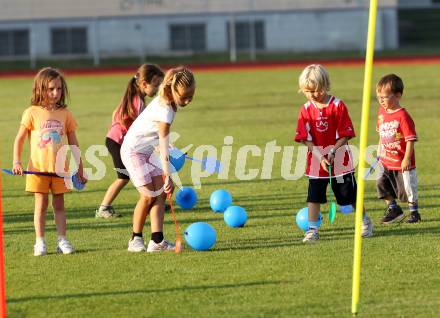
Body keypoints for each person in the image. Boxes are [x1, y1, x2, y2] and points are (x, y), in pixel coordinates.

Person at [12, 67, 87, 256]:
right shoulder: (31, 112)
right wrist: (16, 162)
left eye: (59, 89)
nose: (56, 93)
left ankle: (62, 240)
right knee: (41, 205)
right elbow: (19, 139)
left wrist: (80, 167)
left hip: (61, 170)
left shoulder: (65, 113)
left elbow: (73, 141)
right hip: (38, 170)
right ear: (40, 89)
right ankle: (40, 242)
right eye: (51, 89)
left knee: (59, 205)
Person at [294, 64, 373, 243]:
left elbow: (346, 134)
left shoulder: (337, 106)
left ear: (326, 85)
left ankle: (365, 221)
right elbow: (305, 138)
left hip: (340, 161)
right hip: (316, 161)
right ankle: (312, 230)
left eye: (316, 90)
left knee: (349, 196)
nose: (313, 95)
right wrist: (319, 156)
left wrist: (332, 151)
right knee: (313, 197)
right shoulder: (305, 109)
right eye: (308, 91)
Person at [120, 66, 196, 252]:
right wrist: (168, 174)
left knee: (160, 193)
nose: (187, 101)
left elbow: (159, 139)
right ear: (172, 90)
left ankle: (157, 241)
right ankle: (135, 240)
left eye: (191, 96)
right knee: (147, 196)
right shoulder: (166, 111)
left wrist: (172, 149)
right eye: (184, 97)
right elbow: (162, 144)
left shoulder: (168, 101)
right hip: (133, 152)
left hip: (145, 151)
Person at [96, 64, 164, 218]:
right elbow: (139, 129)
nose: (158, 88)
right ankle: (104, 208)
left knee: (137, 173)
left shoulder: (135, 98)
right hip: (119, 143)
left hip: (115, 140)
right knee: (124, 176)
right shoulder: (138, 102)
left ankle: (153, 200)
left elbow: (116, 114)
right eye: (156, 85)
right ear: (144, 84)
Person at [375, 74, 420, 224]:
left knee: (407, 189)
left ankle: (414, 212)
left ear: (398, 95)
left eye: (385, 97)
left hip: (401, 162)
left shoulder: (403, 116)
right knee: (381, 183)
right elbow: (381, 135)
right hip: (386, 161)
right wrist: (379, 151)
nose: (381, 100)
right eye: (379, 96)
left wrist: (406, 158)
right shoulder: (381, 113)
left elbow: (410, 139)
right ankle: (394, 209)